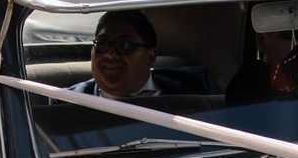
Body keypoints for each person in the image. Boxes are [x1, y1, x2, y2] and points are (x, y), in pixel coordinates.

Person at [71, 8, 201, 101]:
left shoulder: (195, 92)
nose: (111, 55)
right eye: (103, 44)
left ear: (151, 56)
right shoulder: (67, 104)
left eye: (124, 45)